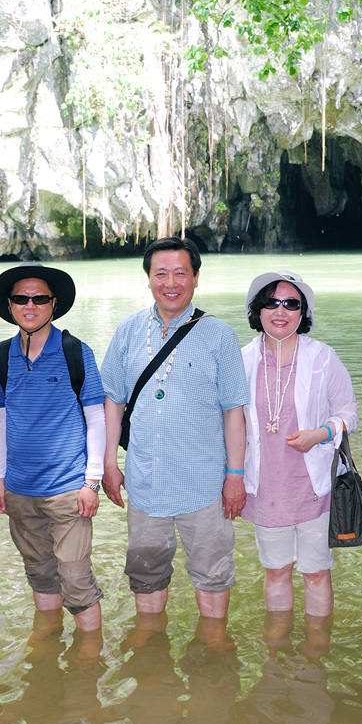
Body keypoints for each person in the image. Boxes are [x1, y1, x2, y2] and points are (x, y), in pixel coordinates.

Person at [101, 237, 250, 621]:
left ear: (196, 278)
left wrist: (235, 476)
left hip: (204, 486)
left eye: (180, 273)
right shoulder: (129, 330)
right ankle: (151, 647)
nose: (171, 283)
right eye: (161, 273)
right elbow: (113, 401)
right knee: (146, 576)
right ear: (149, 278)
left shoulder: (219, 335)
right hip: (144, 484)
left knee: (213, 576)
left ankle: (214, 644)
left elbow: (234, 412)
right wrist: (109, 463)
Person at [0, 263, 106, 634]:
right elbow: (0, 421)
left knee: (77, 582)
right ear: (10, 305)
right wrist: (0, 476)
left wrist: (92, 482)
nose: (30, 305)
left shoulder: (75, 352)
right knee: (40, 576)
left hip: (69, 490)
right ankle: (48, 653)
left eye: (39, 299)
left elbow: (97, 419)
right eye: (21, 298)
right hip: (20, 490)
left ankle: (90, 659)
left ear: (54, 304)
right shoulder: (1, 356)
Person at [240, 270, 357, 617]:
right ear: (257, 309)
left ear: (303, 312)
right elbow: (227, 424)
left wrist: (320, 434)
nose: (281, 311)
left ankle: (317, 645)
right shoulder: (241, 360)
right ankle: (278, 645)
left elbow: (349, 413)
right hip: (265, 488)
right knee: (276, 571)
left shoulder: (322, 357)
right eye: (271, 302)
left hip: (314, 487)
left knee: (317, 573)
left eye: (291, 304)